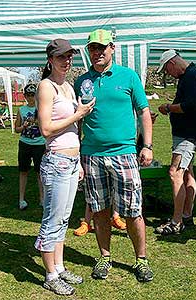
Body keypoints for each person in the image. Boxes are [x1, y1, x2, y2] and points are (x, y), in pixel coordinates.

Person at [74, 29, 154, 282]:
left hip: (124, 154)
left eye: (101, 48)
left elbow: (143, 112)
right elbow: (78, 120)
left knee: (133, 211)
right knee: (99, 211)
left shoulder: (128, 77)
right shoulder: (81, 81)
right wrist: (76, 152)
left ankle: (141, 260)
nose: (97, 53)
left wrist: (147, 145)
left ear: (112, 48)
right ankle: (105, 256)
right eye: (92, 48)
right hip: (91, 155)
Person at [34, 39, 94, 296]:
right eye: (61, 57)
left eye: (69, 56)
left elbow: (71, 129)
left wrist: (79, 161)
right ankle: (49, 275)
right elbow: (46, 129)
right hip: (56, 161)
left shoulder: (68, 86)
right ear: (50, 59)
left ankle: (58, 267)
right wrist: (78, 114)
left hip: (71, 162)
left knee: (64, 219)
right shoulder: (46, 87)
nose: (66, 61)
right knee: (52, 220)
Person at [156, 49, 196, 235]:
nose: (168, 74)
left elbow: (190, 106)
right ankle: (186, 213)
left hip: (188, 135)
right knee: (187, 173)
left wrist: (168, 107)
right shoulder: (191, 75)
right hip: (188, 133)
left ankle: (177, 221)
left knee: (175, 173)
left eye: (167, 70)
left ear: (172, 63)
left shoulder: (191, 76)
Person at [14, 83, 45, 210]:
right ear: (25, 96)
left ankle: (42, 198)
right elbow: (16, 129)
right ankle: (21, 199)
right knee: (23, 171)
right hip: (25, 143)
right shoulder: (21, 110)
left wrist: (36, 122)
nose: (30, 98)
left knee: (40, 172)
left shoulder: (42, 108)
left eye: (33, 95)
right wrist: (24, 127)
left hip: (39, 143)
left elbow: (46, 125)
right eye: (28, 95)